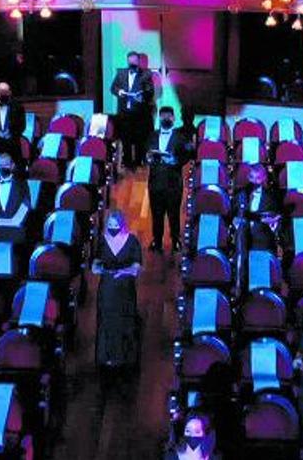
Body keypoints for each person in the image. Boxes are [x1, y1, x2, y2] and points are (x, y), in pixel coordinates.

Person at [93, 210, 142, 373]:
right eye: (110, 226)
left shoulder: (132, 241)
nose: (112, 229)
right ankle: (105, 356)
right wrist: (101, 270)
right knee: (107, 321)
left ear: (122, 226)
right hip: (107, 287)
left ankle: (125, 358)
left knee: (125, 321)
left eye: (115, 226)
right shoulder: (101, 241)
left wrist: (124, 272)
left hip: (125, 288)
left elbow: (136, 268)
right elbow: (95, 264)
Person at [147, 106, 193, 252]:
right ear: (159, 118)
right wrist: (148, 158)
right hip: (155, 182)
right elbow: (146, 153)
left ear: (173, 118)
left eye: (169, 116)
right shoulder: (152, 136)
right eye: (163, 116)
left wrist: (175, 161)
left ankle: (175, 240)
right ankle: (157, 240)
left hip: (173, 182)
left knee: (174, 214)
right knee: (157, 214)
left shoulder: (181, 137)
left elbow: (187, 156)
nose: (166, 118)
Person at [110, 51, 155, 169]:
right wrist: (120, 92)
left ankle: (139, 160)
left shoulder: (146, 74)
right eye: (130, 61)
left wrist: (142, 96)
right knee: (126, 138)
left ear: (138, 61)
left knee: (139, 139)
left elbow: (150, 91)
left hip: (139, 113)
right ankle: (128, 162)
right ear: (127, 61)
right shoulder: (121, 73)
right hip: (124, 112)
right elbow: (113, 88)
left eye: (135, 61)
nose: (132, 63)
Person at [0, 153, 32, 245]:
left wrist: (15, 220)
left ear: (12, 166)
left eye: (6, 165)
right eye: (1, 165)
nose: (3, 168)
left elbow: (26, 204)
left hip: (16, 233)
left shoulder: (22, 184)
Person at [233, 164, 281, 253]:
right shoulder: (241, 195)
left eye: (258, 178)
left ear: (263, 178)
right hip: (243, 239)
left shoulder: (271, 197)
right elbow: (234, 214)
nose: (254, 182)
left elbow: (276, 218)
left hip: (263, 240)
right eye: (252, 177)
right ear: (248, 177)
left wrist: (273, 223)